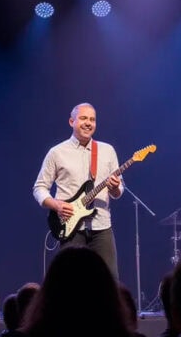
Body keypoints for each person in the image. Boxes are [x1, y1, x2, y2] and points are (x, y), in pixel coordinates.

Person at [33, 102, 123, 278]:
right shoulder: (57, 152)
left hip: (102, 226)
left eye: (92, 119)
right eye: (83, 118)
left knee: (109, 281)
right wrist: (57, 205)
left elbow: (119, 189)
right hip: (71, 227)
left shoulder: (107, 150)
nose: (88, 123)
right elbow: (39, 188)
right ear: (71, 121)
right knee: (71, 283)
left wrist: (114, 188)